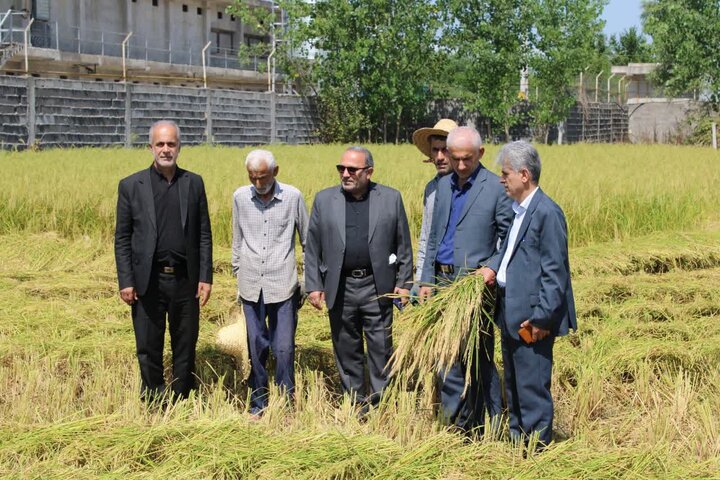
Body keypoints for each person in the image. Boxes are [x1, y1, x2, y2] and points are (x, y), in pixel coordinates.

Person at [418, 126, 513, 431]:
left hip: (474, 286)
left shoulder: (495, 188)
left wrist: (492, 267)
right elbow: (434, 237)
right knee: (447, 355)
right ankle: (456, 423)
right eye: (455, 158)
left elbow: (509, 236)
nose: (460, 165)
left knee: (479, 358)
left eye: (467, 159)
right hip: (442, 283)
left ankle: (494, 422)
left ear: (481, 154)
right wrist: (425, 281)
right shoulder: (443, 186)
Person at [305, 146, 413, 410]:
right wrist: (313, 286)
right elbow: (312, 247)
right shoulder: (324, 200)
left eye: (352, 169)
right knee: (346, 348)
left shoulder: (390, 198)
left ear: (369, 171)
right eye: (341, 168)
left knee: (380, 348)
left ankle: (379, 404)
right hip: (340, 286)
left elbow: (404, 246)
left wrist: (404, 283)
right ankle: (354, 403)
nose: (345, 174)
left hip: (377, 285)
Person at [114, 120, 213, 403]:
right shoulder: (131, 186)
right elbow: (122, 238)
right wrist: (126, 280)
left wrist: (205, 276)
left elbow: (203, 233)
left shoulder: (193, 183)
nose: (166, 149)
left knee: (185, 343)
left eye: (171, 144)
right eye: (160, 144)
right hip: (148, 281)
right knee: (148, 344)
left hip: (186, 279)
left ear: (179, 148)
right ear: (150, 147)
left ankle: (183, 397)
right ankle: (155, 399)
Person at [494, 141, 576, 449]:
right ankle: (519, 446)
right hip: (510, 314)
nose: (501, 179)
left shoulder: (547, 213)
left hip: (532, 320)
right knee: (514, 387)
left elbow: (555, 273)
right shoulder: (518, 211)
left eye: (505, 173)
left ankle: (538, 452)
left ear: (524, 174)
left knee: (533, 389)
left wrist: (541, 318)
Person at [231, 149, 308, 417]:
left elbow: (307, 241)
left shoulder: (293, 197)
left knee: (284, 348)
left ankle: (286, 404)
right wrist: (237, 271)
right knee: (256, 347)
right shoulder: (240, 198)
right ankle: (258, 403)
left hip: (283, 285)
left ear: (275, 172)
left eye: (262, 177)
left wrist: (306, 281)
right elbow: (237, 240)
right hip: (251, 286)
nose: (258, 183)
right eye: (252, 177)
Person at [410, 118, 458, 297]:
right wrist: (421, 279)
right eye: (435, 150)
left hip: (463, 278)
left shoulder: (472, 188)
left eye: (445, 150)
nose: (439, 157)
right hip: (436, 277)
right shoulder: (431, 189)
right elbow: (426, 235)